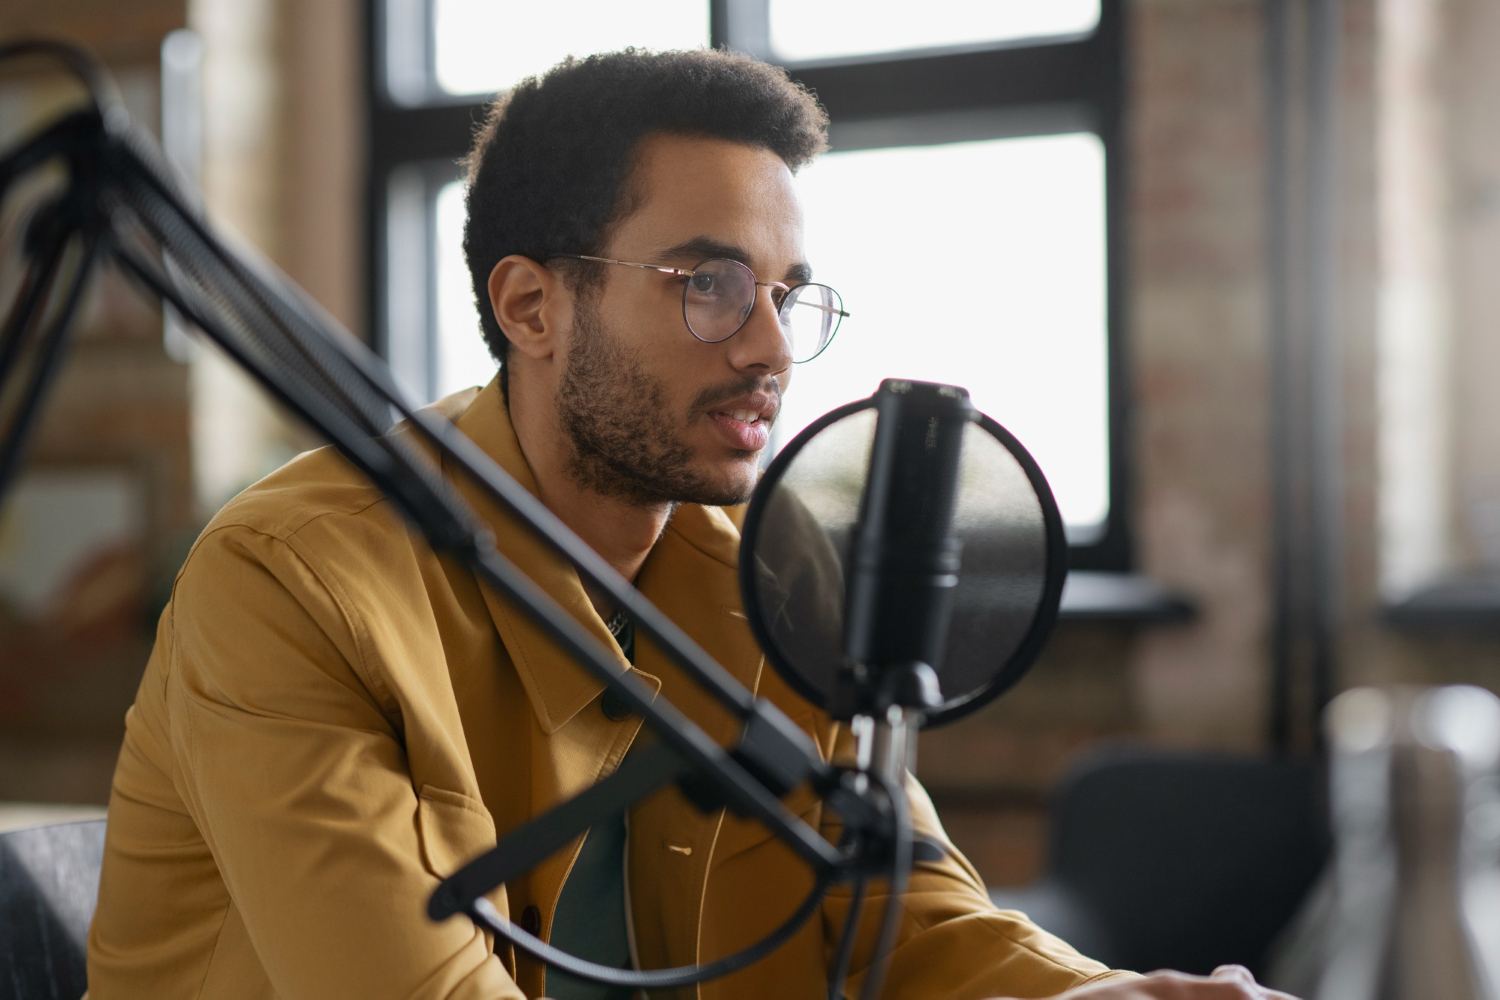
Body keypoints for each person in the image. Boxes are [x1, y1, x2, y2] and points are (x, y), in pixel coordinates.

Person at [86, 48, 1291, 1000]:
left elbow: (895, 909)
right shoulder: (291, 583)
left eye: (785, 294)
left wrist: (1089, 995)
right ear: (532, 306)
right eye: (709, 284)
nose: (771, 347)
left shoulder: (773, 570)